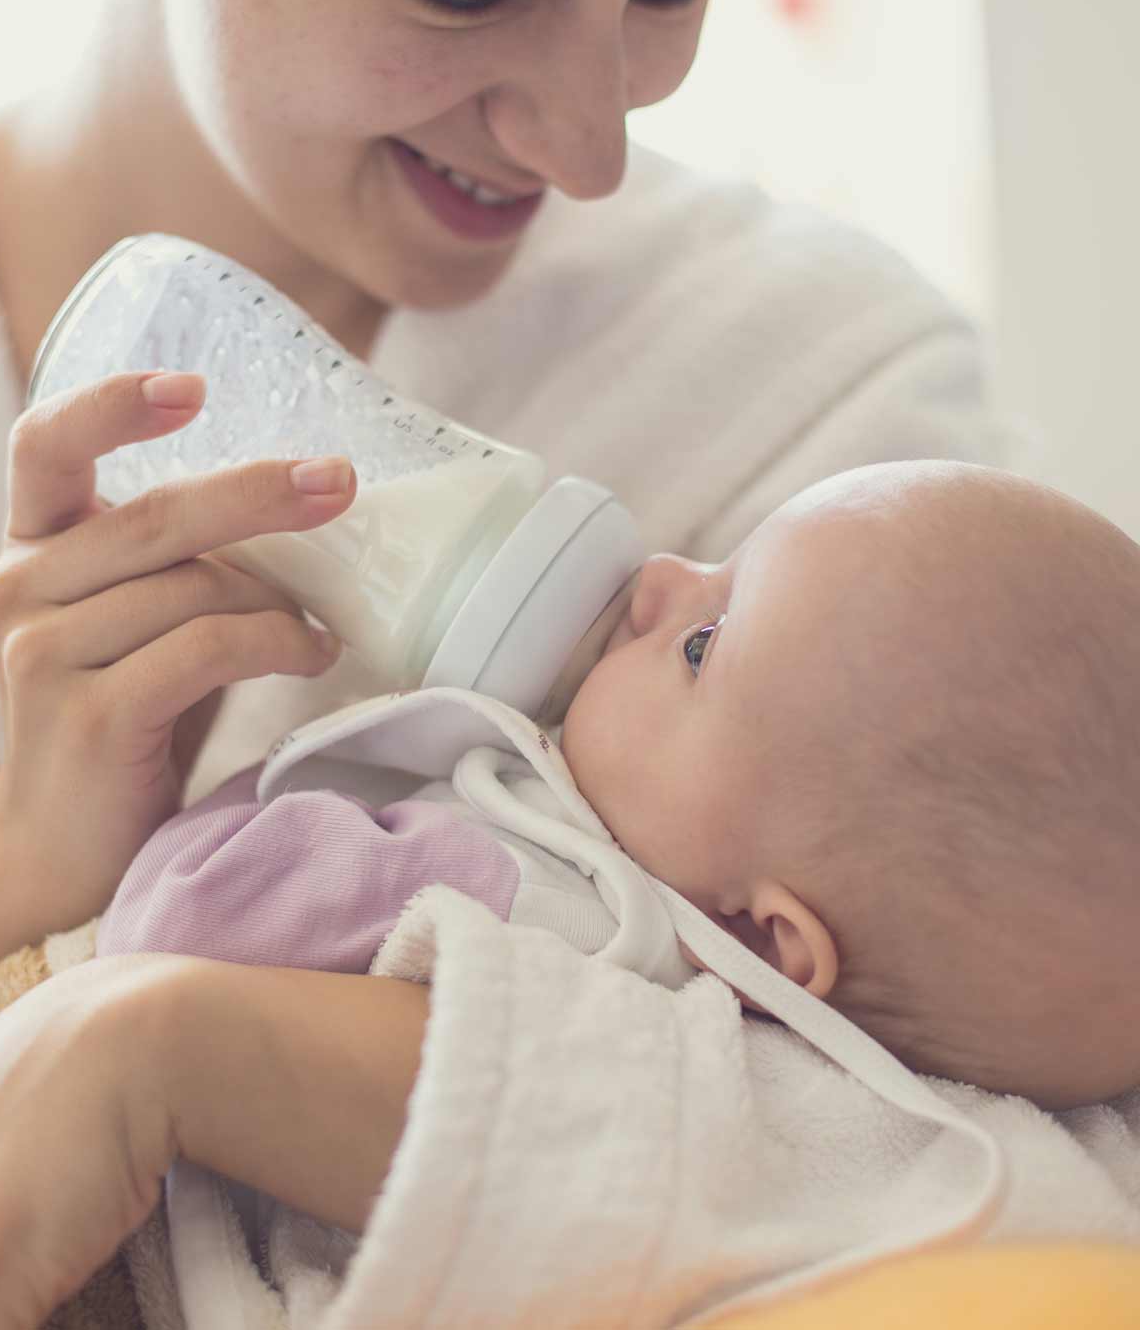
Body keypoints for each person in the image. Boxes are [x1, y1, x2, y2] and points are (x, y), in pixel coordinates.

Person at [0, 0, 1023, 1323]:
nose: (588, 149)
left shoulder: (831, 411)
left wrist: (183, 1050)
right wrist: (12, 857)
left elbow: (937, 1144)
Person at [102, 458, 1140, 1115]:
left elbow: (171, 919)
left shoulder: (521, 893)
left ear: (766, 941)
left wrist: (232, 757)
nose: (657, 579)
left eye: (702, 641)